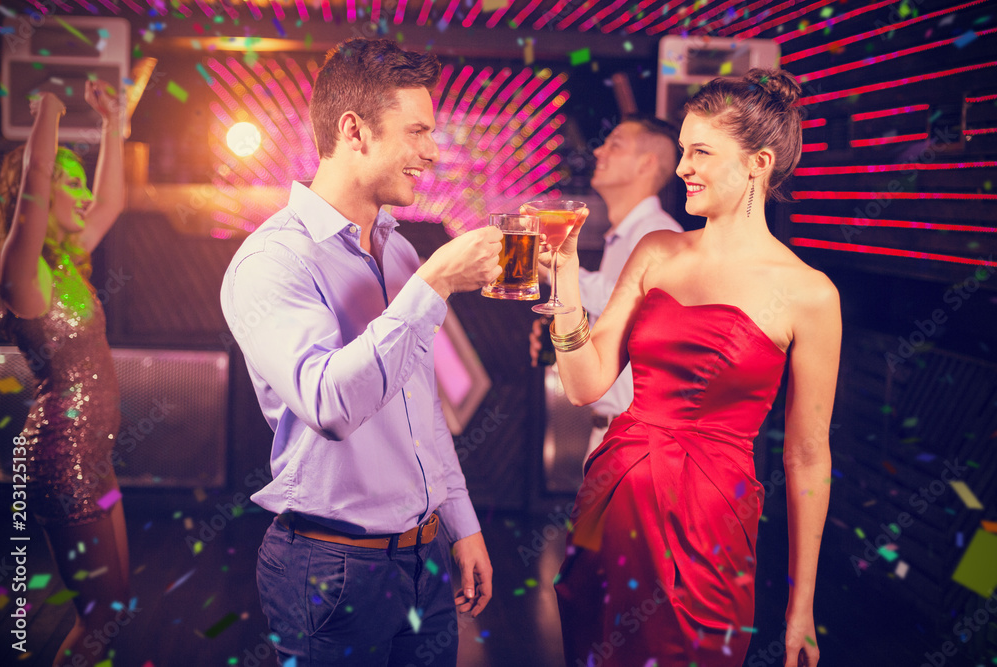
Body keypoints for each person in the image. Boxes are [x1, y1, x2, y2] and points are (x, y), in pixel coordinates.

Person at [220, 38, 501, 665]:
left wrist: (463, 522)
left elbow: (421, 407)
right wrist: (435, 283)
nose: (432, 151)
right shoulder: (272, 261)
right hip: (329, 570)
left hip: (422, 564)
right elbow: (330, 404)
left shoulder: (398, 248)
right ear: (355, 131)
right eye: (418, 131)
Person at [549, 68, 840, 667]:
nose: (682, 167)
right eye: (683, 150)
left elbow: (808, 456)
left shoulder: (811, 295)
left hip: (711, 520)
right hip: (614, 497)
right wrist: (564, 280)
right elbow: (584, 384)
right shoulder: (657, 252)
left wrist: (802, 605)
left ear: (758, 163)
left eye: (701, 152)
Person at [0, 82, 128, 666]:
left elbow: (113, 202)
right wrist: (48, 108)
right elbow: (35, 180)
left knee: (115, 610)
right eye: (66, 182)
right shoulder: (24, 276)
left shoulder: (69, 261)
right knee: (97, 620)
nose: (81, 194)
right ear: (38, 195)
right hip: (60, 462)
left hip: (96, 457)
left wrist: (112, 123)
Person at [531, 115, 683, 465]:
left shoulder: (659, 235)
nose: (599, 150)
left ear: (647, 163)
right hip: (606, 435)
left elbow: (625, 298)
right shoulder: (623, 237)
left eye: (615, 145)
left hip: (637, 444)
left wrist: (555, 272)